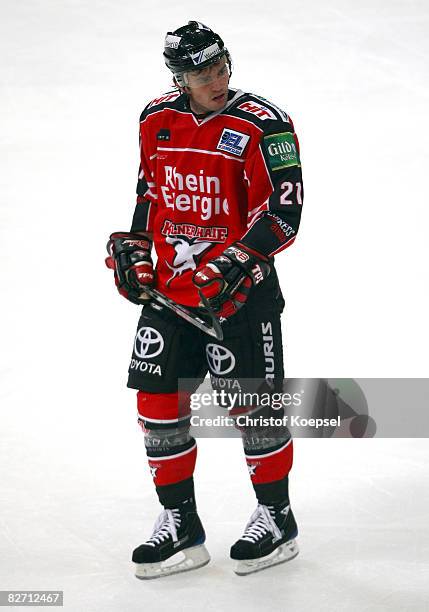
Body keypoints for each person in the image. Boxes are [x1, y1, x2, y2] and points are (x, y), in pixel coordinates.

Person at [106, 20, 303, 578]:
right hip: (170, 294)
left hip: (240, 299)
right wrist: (137, 249)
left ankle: (276, 516)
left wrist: (234, 263)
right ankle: (181, 526)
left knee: (253, 410)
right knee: (156, 404)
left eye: (220, 67)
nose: (215, 80)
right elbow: (150, 193)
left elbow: (283, 215)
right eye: (200, 72)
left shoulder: (266, 124)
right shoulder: (155, 118)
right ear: (179, 76)